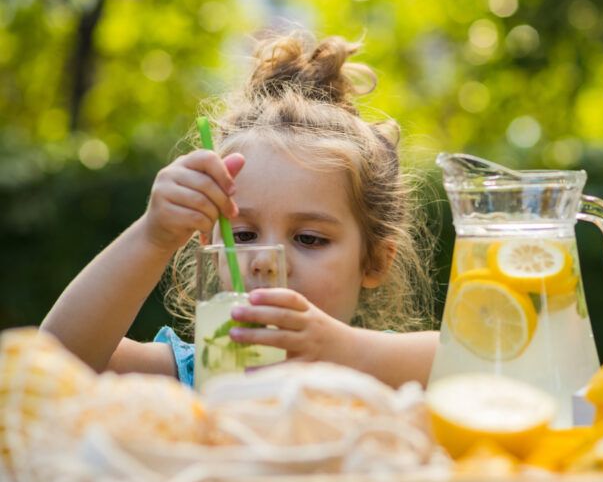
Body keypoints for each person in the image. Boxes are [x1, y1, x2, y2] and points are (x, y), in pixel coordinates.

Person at [41, 31, 439, 389]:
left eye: (309, 239)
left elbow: (485, 369)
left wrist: (346, 350)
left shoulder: (384, 372)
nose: (264, 261)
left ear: (373, 262)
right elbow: (54, 365)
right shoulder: (201, 371)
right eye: (244, 235)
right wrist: (152, 236)